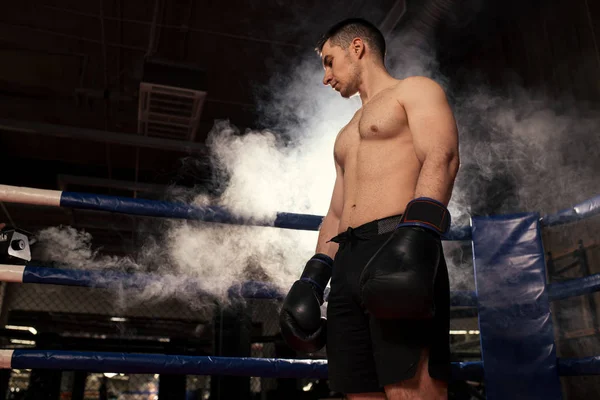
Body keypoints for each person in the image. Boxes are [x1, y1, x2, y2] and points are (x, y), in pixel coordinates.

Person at [279, 18, 460, 400]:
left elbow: (441, 157)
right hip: (347, 262)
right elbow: (335, 212)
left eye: (329, 61)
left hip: (400, 246)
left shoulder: (414, 91)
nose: (326, 77)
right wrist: (314, 277)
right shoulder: (346, 133)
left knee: (411, 388)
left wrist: (417, 235)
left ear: (356, 48)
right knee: (357, 388)